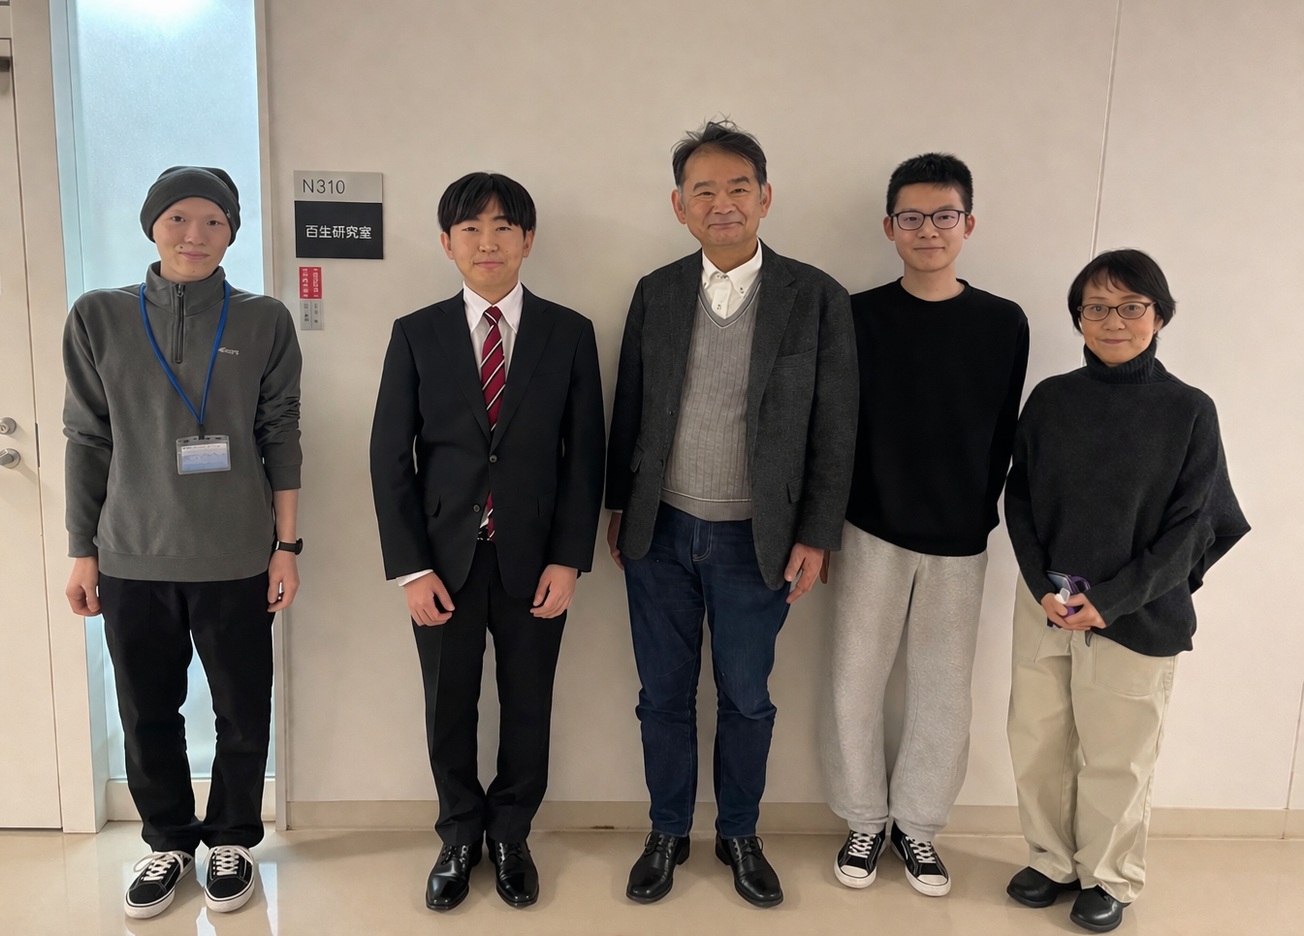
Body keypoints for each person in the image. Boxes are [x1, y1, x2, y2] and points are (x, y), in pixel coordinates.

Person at [606, 119, 857, 908]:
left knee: (747, 696)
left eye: (738, 188)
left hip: (760, 539)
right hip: (660, 531)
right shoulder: (657, 291)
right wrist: (620, 507)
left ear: (765, 198)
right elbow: (630, 405)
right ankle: (668, 831)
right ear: (679, 205)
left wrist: (817, 534)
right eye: (704, 190)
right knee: (662, 695)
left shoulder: (815, 297)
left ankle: (740, 832)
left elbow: (836, 427)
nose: (723, 204)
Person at [63, 166, 303, 918]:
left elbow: (281, 434)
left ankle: (232, 837)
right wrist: (82, 550)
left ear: (231, 232)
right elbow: (86, 438)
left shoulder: (263, 320)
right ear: (152, 226)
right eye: (178, 219)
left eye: (213, 221)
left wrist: (288, 546)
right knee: (146, 712)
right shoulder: (98, 316)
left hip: (237, 555)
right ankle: (166, 841)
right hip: (131, 552)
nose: (194, 235)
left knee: (241, 707)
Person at [369, 171, 605, 912]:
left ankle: (510, 834)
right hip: (444, 562)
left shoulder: (569, 332)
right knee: (449, 705)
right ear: (447, 243)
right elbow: (389, 457)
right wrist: (410, 568)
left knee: (529, 702)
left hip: (535, 560)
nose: (488, 242)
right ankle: (458, 834)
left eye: (504, 226)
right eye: (470, 228)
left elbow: (585, 456)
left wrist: (568, 559)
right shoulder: (417, 333)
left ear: (528, 239)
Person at [1003, 249, 1248, 932]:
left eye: (1130, 306)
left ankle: (1108, 876)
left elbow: (1193, 527)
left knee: (1119, 754)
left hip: (1137, 609)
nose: (1113, 321)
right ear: (1079, 318)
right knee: (1039, 739)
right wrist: (1040, 586)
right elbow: (1019, 498)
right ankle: (1051, 860)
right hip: (1047, 604)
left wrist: (1110, 600)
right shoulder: (1052, 400)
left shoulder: (1188, 411)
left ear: (1159, 315)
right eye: (1097, 308)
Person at [820, 153, 1028, 897]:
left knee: (943, 691)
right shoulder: (856, 315)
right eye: (912, 217)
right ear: (890, 228)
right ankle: (863, 819)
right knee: (855, 680)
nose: (928, 230)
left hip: (960, 536)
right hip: (869, 526)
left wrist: (979, 510)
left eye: (944, 216)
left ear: (968, 224)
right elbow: (835, 428)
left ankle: (918, 826)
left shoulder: (1003, 321)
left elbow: (1004, 430)